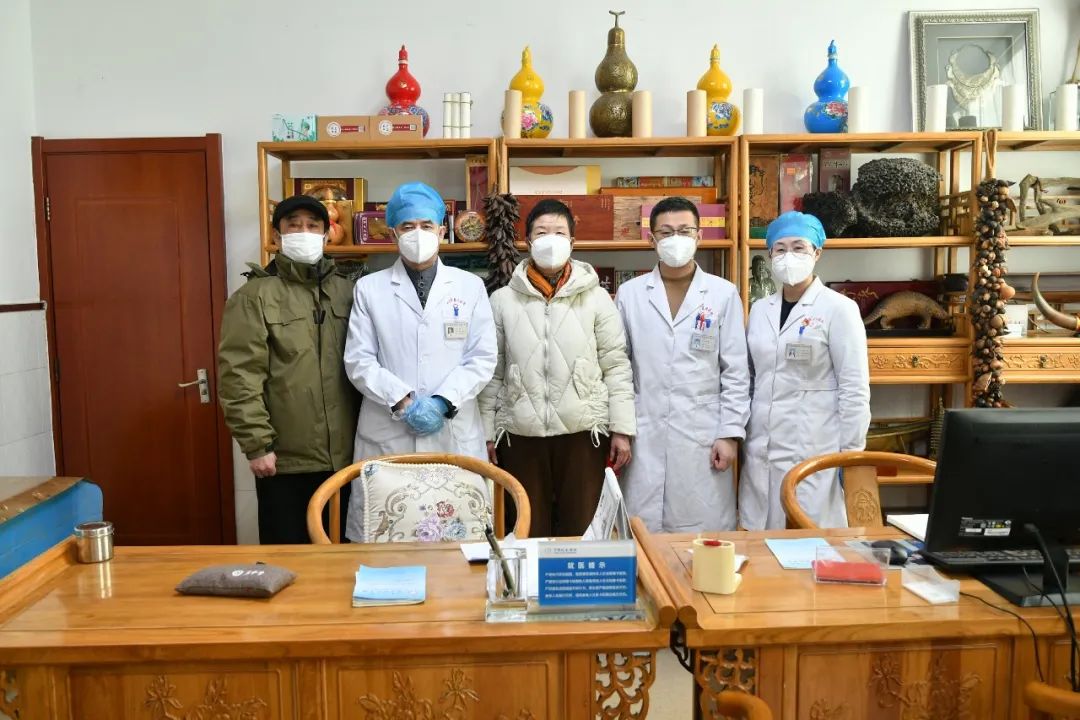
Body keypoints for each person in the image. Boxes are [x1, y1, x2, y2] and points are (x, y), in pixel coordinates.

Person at [344, 181, 496, 541]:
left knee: (459, 539)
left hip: (452, 431)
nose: (418, 234)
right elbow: (359, 360)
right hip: (389, 430)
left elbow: (482, 357)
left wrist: (443, 402)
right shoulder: (369, 289)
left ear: (442, 231)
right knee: (388, 536)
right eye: (408, 226)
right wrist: (403, 401)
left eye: (427, 225)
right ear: (393, 233)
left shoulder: (470, 286)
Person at [478, 198, 635, 537]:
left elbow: (616, 365)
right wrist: (487, 433)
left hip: (584, 433)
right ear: (527, 242)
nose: (551, 240)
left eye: (559, 233)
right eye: (542, 232)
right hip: (520, 435)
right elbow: (492, 372)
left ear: (572, 242)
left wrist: (622, 428)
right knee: (527, 529)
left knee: (582, 530)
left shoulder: (597, 298)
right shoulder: (502, 301)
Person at [218, 195, 360, 544]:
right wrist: (256, 443)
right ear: (277, 235)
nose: (303, 232)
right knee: (289, 557)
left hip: (348, 458)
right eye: (293, 225)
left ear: (327, 235)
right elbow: (239, 375)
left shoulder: (348, 290)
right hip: (285, 460)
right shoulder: (255, 295)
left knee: (345, 556)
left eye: (312, 226)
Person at [615, 197, 751, 532]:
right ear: (652, 240)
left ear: (699, 236)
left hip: (703, 433)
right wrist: (620, 428)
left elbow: (736, 371)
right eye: (666, 232)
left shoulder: (723, 294)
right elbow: (619, 367)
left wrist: (730, 434)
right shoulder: (630, 294)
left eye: (684, 230)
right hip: (644, 430)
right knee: (642, 534)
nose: (675, 238)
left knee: (701, 536)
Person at [739, 211, 871, 530]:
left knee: (809, 541)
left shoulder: (839, 309)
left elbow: (854, 389)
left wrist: (851, 455)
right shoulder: (760, 310)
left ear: (817, 253)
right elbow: (753, 378)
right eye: (780, 249)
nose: (789, 256)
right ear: (770, 255)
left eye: (799, 247)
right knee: (759, 540)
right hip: (761, 450)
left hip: (814, 448)